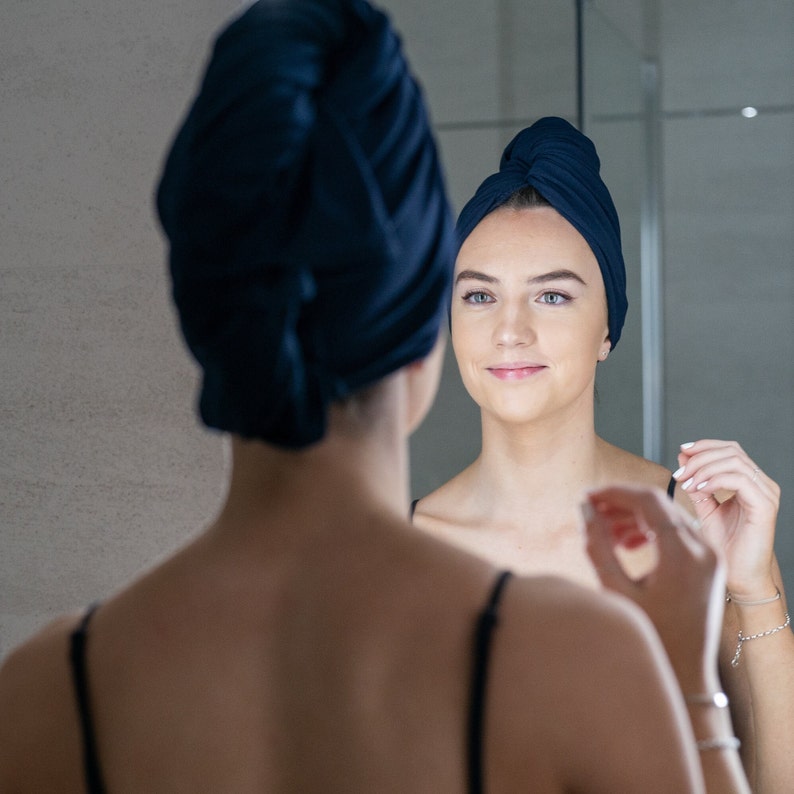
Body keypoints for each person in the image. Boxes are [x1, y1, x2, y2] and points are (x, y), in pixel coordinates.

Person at [0, 2, 748, 791]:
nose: (511, 328)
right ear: (431, 323)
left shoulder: (47, 694)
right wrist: (690, 688)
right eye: (478, 295)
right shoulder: (574, 662)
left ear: (202, 314)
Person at [412, 116, 793, 792]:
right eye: (478, 295)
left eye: (552, 294)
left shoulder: (694, 529)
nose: (509, 330)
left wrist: (753, 590)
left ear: (607, 330)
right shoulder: (393, 551)